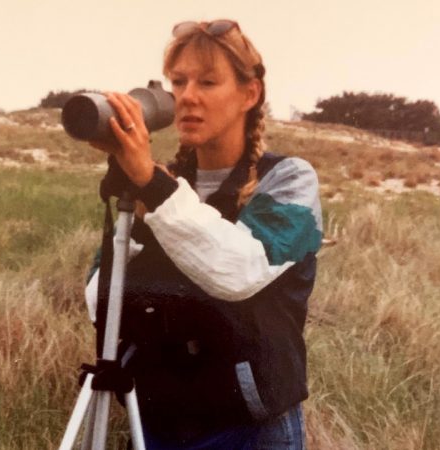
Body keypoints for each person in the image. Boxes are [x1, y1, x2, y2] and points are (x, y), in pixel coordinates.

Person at [84, 19, 322, 449]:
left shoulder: (288, 181)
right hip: (159, 419)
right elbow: (97, 297)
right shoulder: (165, 185)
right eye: (179, 82)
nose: (188, 97)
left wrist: (155, 189)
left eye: (208, 82)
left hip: (250, 429)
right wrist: (134, 194)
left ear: (249, 94)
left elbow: (238, 270)